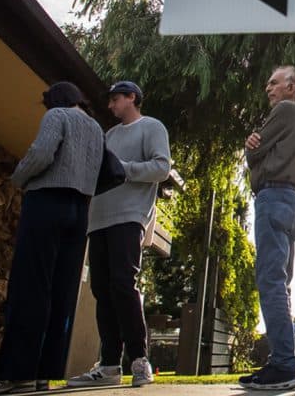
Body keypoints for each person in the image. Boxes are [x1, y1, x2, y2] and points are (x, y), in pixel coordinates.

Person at [0, 82, 104, 394]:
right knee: (62, 289)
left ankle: (16, 373)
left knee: (31, 284)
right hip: (80, 209)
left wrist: (18, 177)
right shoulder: (97, 128)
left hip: (47, 200)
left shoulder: (57, 115)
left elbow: (41, 153)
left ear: (55, 100)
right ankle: (45, 371)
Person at [68, 81, 170, 388]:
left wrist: (123, 169)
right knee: (101, 289)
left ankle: (140, 360)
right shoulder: (109, 135)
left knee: (123, 284)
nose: (111, 105)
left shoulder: (151, 127)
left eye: (116, 99)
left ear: (132, 98)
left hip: (129, 216)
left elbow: (161, 167)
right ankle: (109, 365)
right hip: (97, 219)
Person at [237, 66, 295, 390]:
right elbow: (259, 152)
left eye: (274, 82)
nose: (268, 88)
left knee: (270, 281)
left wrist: (251, 147)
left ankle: (283, 363)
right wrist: (255, 149)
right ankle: (285, 359)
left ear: (292, 87)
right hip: (291, 203)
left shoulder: (285, 109)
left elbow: (254, 154)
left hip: (274, 196)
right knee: (282, 284)